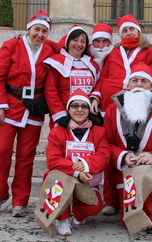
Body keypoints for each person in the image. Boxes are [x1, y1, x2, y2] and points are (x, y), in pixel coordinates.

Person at [0, 10, 54, 217]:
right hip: (10, 107)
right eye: (37, 30)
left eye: (44, 31)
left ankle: (20, 202)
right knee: (2, 153)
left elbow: (74, 44)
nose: (40, 35)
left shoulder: (50, 48)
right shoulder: (11, 45)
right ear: (28, 28)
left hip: (34, 110)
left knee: (26, 158)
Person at [91, 14, 152, 216]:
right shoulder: (113, 51)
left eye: (131, 29)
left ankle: (138, 199)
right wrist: (95, 96)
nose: (129, 33)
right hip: (111, 108)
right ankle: (111, 200)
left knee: (135, 151)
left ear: (138, 30)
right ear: (120, 34)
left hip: (138, 107)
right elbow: (103, 76)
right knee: (112, 153)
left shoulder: (149, 51)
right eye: (125, 31)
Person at [103, 62, 152, 235]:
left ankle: (148, 218)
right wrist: (122, 156)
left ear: (151, 86)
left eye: (144, 81)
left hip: (150, 162)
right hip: (123, 162)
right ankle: (129, 213)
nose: (138, 85)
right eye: (135, 80)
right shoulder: (111, 110)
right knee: (126, 212)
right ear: (127, 85)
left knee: (143, 173)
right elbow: (105, 143)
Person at [38, 89, 110, 236]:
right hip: (63, 179)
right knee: (60, 185)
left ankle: (78, 212)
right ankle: (62, 219)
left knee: (94, 208)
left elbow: (104, 156)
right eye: (75, 105)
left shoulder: (99, 132)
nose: (79, 109)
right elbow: (53, 159)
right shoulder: (57, 131)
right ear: (68, 109)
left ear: (89, 110)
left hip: (87, 182)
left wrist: (86, 163)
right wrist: (77, 170)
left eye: (84, 106)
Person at [44, 25, 100, 128]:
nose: (79, 44)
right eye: (75, 40)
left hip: (86, 117)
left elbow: (98, 85)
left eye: (83, 41)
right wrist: (61, 116)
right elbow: (51, 91)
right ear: (68, 42)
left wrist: (95, 99)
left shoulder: (92, 65)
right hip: (64, 116)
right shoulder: (57, 62)